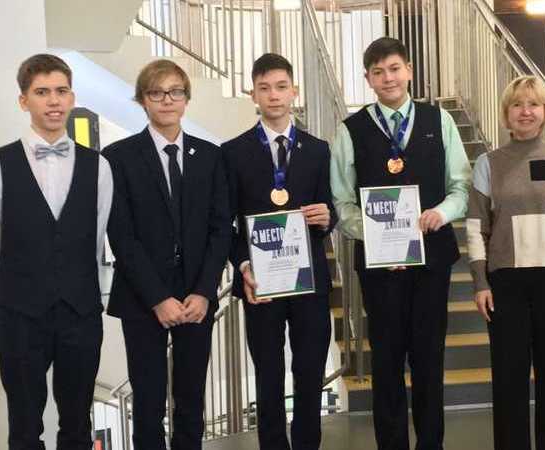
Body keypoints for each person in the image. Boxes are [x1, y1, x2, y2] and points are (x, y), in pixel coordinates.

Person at [330, 37, 471, 450]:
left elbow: (461, 186)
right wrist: (377, 239)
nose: (388, 78)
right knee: (386, 363)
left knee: (429, 361)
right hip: (380, 268)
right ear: (368, 79)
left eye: (394, 68)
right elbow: (342, 201)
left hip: (432, 262)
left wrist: (441, 213)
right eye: (378, 72)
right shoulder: (350, 130)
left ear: (408, 70)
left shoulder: (439, 120)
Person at [0, 53, 113, 449]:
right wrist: (24, 292)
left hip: (80, 313)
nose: (53, 101)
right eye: (42, 92)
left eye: (61, 91)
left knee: (77, 424)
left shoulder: (99, 166)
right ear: (24, 101)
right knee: (24, 425)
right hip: (19, 315)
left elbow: (95, 238)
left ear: (72, 98)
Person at [102, 59, 230, 450]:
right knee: (148, 401)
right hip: (143, 297)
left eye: (175, 91)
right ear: (143, 100)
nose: (167, 100)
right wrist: (158, 298)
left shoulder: (210, 156)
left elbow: (220, 229)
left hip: (196, 296)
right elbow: (121, 235)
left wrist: (204, 291)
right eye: (156, 93)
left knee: (191, 399)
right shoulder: (118, 157)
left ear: (186, 99)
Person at [467, 75, 545, 450]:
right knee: (509, 379)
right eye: (517, 104)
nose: (526, 111)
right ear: (506, 113)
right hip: (505, 283)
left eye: (533, 104)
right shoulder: (488, 164)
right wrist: (480, 282)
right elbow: (476, 228)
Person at [221, 53, 336, 450]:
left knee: (310, 373)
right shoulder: (233, 152)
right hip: (261, 284)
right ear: (253, 94)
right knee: (268, 375)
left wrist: (328, 217)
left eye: (281, 87)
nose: (273, 95)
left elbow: (329, 210)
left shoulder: (318, 150)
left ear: (294, 91)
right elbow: (225, 225)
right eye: (264, 88)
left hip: (309, 281)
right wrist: (243, 265)